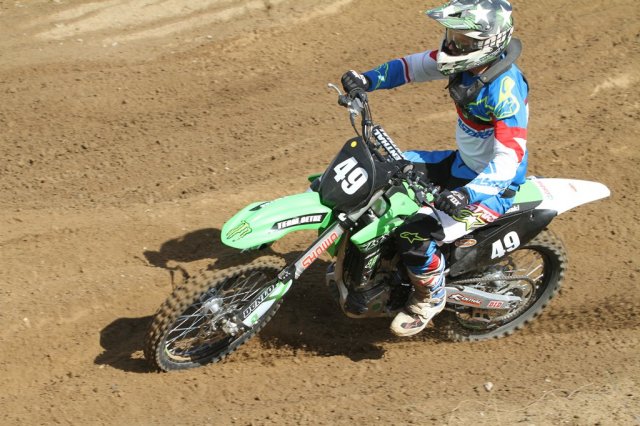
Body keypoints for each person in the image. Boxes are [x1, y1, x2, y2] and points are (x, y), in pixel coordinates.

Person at [341, 0, 529, 337]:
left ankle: (430, 297)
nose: (453, 45)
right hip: (461, 164)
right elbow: (411, 68)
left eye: (464, 41)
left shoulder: (506, 91)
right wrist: (365, 80)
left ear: (490, 43)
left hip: (492, 188)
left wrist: (465, 195)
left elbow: (508, 159)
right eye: (453, 36)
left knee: (414, 232)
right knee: (380, 167)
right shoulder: (465, 65)